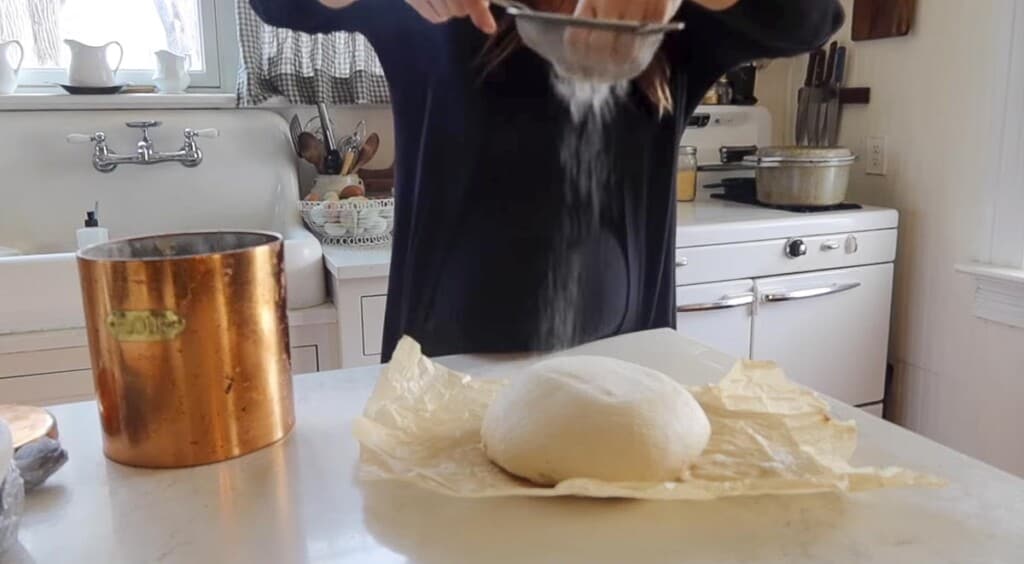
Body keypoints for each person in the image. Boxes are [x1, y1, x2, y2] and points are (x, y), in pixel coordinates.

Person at [251, 0, 844, 361]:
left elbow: (811, 15)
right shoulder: (439, 17)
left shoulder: (672, 21)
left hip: (626, 373)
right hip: (442, 378)